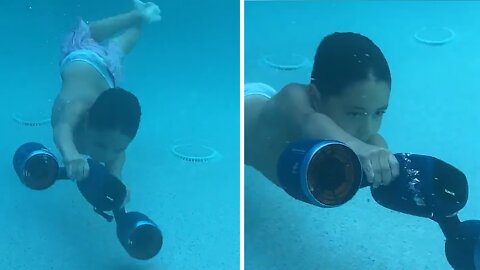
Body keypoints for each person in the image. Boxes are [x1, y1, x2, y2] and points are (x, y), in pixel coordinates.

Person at [245, 32, 400, 189]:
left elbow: (374, 142)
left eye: (379, 113)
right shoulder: (293, 99)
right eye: (354, 113)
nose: (368, 129)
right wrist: (359, 147)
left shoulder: (358, 138)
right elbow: (312, 121)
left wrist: (381, 154)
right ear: (315, 97)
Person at [51, 0, 161, 183]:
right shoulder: (78, 108)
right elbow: (62, 128)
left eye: (117, 149)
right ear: (86, 121)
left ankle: (139, 20)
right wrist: (71, 156)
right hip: (80, 55)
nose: (106, 156)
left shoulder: (113, 138)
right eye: (100, 145)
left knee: (125, 43)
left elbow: (117, 156)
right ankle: (136, 15)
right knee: (90, 33)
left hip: (106, 74)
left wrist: (116, 179)